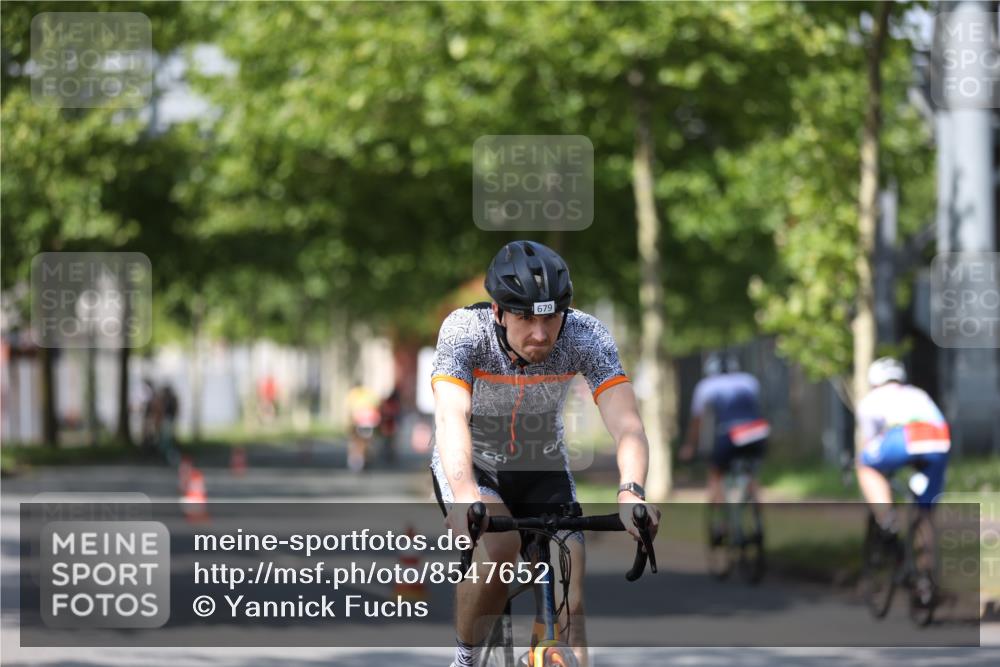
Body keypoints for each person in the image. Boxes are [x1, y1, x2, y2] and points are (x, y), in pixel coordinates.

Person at [430, 240, 660, 667]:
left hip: (543, 464)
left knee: (570, 580)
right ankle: (464, 658)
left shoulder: (585, 335)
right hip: (475, 463)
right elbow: (450, 418)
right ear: (498, 310)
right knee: (500, 553)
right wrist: (464, 496)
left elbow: (627, 423)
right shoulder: (465, 331)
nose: (540, 333)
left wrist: (631, 493)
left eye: (551, 316)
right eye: (523, 317)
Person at [854, 358, 950, 534]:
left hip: (907, 436)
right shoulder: (918, 393)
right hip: (940, 438)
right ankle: (927, 556)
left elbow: (871, 441)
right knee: (926, 512)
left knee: (865, 465)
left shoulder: (871, 399)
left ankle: (887, 520)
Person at [679, 352, 768, 528]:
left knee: (716, 472)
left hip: (728, 435)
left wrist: (690, 446)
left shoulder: (705, 386)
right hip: (756, 432)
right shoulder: (749, 380)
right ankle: (757, 517)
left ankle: (721, 524)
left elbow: (698, 421)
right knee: (751, 473)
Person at [347, 383, 380, 472]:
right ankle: (366, 455)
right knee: (367, 440)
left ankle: (358, 458)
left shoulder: (353, 394)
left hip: (359, 420)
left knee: (357, 440)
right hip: (370, 420)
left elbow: (350, 409)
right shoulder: (369, 394)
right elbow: (377, 406)